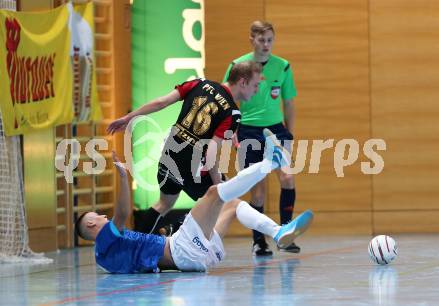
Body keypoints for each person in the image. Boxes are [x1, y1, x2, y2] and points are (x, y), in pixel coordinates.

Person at [75, 131, 313, 273]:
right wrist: (123, 177)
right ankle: (271, 162)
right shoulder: (104, 242)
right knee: (213, 194)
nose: (103, 217)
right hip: (180, 250)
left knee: (232, 206)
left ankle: (279, 232)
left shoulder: (106, 255)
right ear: (92, 226)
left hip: (195, 256)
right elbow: (122, 212)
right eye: (98, 217)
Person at [107, 61, 262, 235]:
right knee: (221, 203)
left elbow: (161, 102)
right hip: (193, 166)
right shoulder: (232, 113)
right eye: (255, 85)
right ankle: (174, 230)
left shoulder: (199, 83)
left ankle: (133, 246)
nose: (257, 90)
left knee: (164, 204)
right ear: (242, 82)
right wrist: (218, 187)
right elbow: (211, 152)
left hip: (170, 153)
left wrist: (129, 117)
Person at [223, 21, 299, 256]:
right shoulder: (238, 65)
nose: (266, 45)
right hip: (248, 130)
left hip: (276, 130)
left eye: (270, 40)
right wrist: (232, 130)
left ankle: (285, 234)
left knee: (287, 177)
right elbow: (227, 99)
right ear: (252, 40)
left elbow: (288, 102)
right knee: (258, 190)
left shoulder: (283, 67)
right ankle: (259, 242)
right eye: (261, 40)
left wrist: (290, 133)